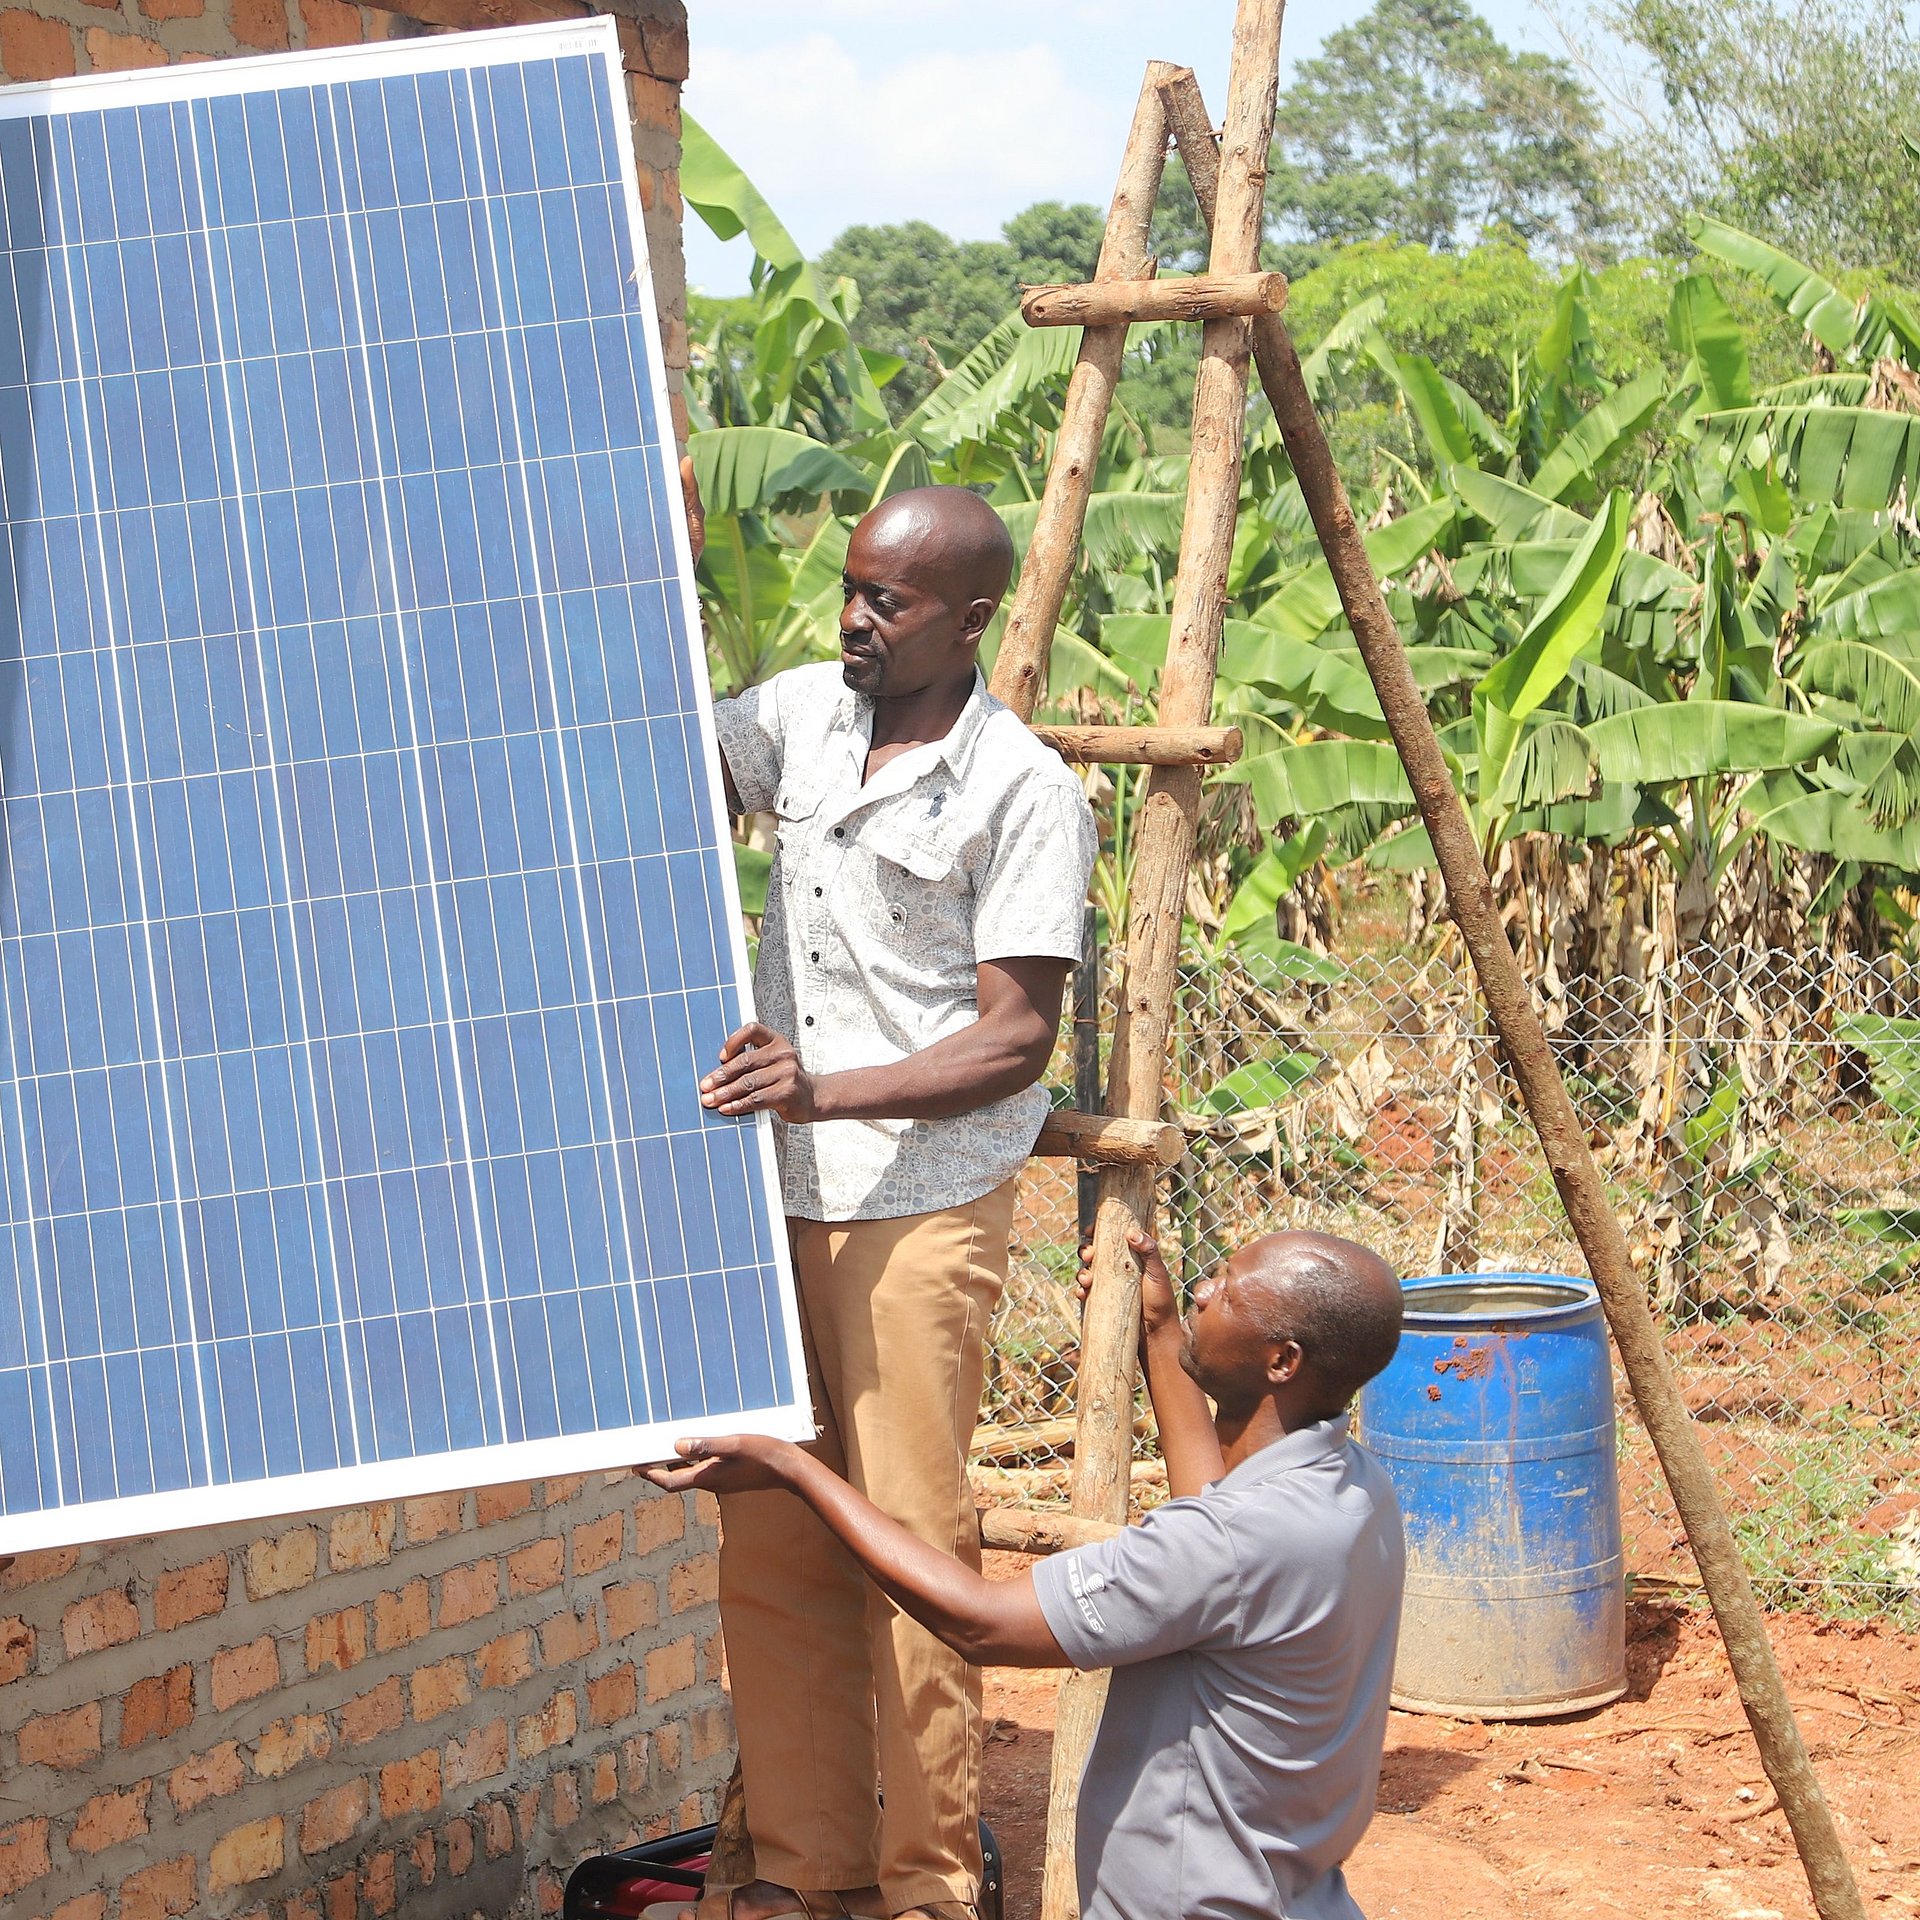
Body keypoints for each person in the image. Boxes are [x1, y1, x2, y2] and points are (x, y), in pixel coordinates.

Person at [684, 471, 1100, 1920]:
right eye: (852, 587)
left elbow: (1013, 1038)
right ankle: (805, 1878)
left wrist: (824, 1090)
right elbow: (642, 764)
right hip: (771, 1196)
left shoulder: (1021, 791)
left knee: (916, 1555)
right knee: (773, 1539)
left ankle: (925, 1888)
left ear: (970, 618)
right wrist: (649, 557)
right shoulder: (798, 717)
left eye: (890, 600)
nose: (854, 617)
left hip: (916, 1203)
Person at [647, 1225, 1408, 1920]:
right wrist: (1162, 1331)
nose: (1206, 1289)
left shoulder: (1231, 1544)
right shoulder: (1353, 1493)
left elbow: (979, 1623)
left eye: (1229, 1291)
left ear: (1282, 1360)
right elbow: (1214, 1506)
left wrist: (793, 1468)